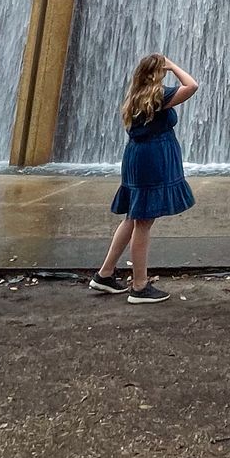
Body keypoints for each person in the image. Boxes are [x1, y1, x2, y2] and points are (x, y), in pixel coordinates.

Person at [89, 53, 198, 304]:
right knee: (143, 222)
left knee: (133, 217)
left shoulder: (136, 94)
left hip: (136, 158)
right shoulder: (158, 96)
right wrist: (172, 65)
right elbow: (192, 85)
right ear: (156, 73)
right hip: (151, 160)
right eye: (162, 70)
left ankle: (104, 274)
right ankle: (139, 286)